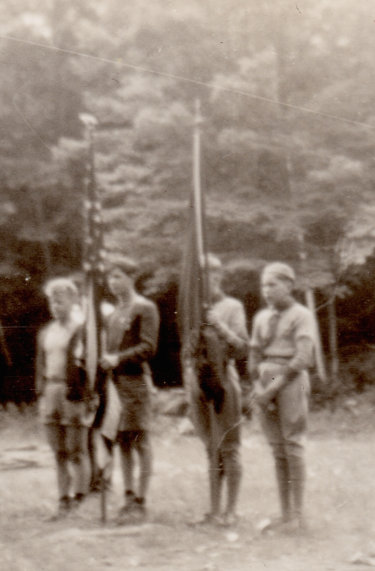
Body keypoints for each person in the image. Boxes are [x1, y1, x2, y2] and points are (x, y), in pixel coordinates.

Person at [249, 262, 315, 532]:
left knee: (292, 444)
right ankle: (284, 513)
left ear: (289, 285)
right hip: (264, 381)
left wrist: (271, 389)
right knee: (277, 448)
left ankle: (297, 516)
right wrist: (256, 385)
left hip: (289, 381)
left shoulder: (301, 315)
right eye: (264, 285)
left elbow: (302, 358)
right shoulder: (261, 317)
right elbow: (253, 352)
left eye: (273, 284)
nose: (267, 290)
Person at [186, 254, 249, 527]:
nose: (207, 280)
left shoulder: (232, 307)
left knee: (229, 447)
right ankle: (213, 510)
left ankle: (231, 510)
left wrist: (219, 326)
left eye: (212, 274)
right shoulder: (191, 311)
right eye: (201, 275)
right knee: (211, 448)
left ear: (220, 276)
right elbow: (187, 351)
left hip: (224, 381)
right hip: (200, 384)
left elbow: (242, 347)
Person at [99, 255, 160, 524]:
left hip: (135, 382)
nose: (112, 283)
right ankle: (128, 495)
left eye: (118, 277)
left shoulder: (143, 308)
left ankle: (142, 500)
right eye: (110, 277)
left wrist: (118, 358)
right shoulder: (112, 314)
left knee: (140, 440)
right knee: (122, 440)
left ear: (131, 278)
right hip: (115, 384)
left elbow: (148, 347)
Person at [35, 277, 91, 518]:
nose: (56, 306)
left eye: (60, 301)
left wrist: (86, 396)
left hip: (74, 392)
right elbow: (40, 363)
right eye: (52, 302)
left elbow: (88, 366)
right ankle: (63, 499)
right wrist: (41, 392)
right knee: (58, 450)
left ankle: (80, 499)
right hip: (51, 390)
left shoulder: (82, 330)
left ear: (73, 300)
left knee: (76, 449)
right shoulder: (47, 332)